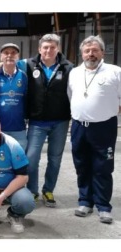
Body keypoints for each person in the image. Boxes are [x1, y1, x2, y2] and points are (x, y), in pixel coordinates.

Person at [0, 34, 73, 206]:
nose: (48, 50)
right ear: (39, 49)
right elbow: (8, 60)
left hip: (60, 121)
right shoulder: (29, 64)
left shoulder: (68, 68)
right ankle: (33, 190)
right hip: (37, 122)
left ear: (58, 48)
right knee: (32, 159)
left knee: (55, 159)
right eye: (45, 47)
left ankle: (48, 190)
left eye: (52, 47)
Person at [67, 35, 121, 224]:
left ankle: (104, 206)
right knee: (82, 165)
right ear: (82, 53)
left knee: (103, 167)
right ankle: (85, 201)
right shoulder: (74, 73)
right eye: (87, 51)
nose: (91, 54)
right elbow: (71, 96)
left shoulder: (115, 72)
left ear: (102, 52)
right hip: (79, 126)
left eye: (95, 50)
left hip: (104, 127)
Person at [0, 43, 28, 150]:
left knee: (19, 162)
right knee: (0, 161)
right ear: (1, 57)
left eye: (13, 53)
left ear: (18, 57)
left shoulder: (25, 76)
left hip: (19, 129)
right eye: (6, 53)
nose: (9, 55)